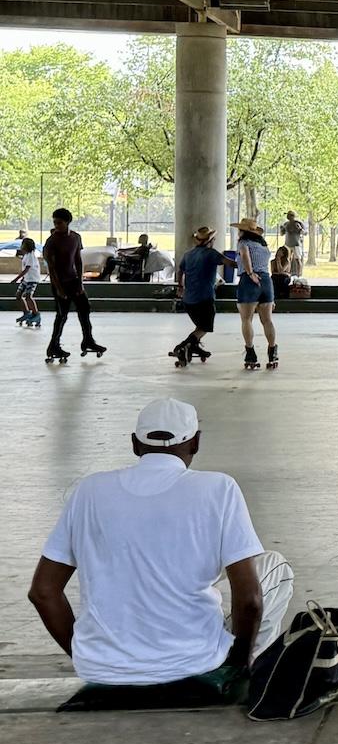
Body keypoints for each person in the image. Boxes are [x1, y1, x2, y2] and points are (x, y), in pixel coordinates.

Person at [28, 398, 294, 689]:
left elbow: (43, 592)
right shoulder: (218, 488)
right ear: (195, 443)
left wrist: (91, 656)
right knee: (274, 567)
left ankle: (109, 661)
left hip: (103, 671)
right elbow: (250, 601)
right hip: (193, 665)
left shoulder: (89, 491)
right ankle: (245, 671)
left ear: (135, 444)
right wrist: (238, 664)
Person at [42, 208, 104, 363]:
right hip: (60, 283)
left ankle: (88, 340)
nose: (56, 225)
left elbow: (78, 260)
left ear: (67, 222)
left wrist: (80, 283)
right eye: (55, 222)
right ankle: (53, 345)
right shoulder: (52, 241)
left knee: (85, 308)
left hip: (74, 281)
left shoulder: (76, 237)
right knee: (61, 315)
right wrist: (59, 289)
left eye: (60, 223)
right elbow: (52, 269)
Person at [171, 226, 224, 367]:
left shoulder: (188, 254)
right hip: (204, 298)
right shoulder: (211, 253)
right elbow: (230, 263)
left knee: (199, 326)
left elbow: (180, 270)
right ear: (211, 241)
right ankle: (183, 346)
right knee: (205, 327)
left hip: (188, 299)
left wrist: (180, 287)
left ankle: (193, 346)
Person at [233, 217, 277, 371]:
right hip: (266, 281)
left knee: (247, 319)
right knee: (267, 320)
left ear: (242, 231)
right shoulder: (263, 246)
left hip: (249, 280)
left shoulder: (243, 243)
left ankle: (250, 352)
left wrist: (250, 273)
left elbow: (245, 255)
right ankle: (272, 352)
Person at [11, 235, 41, 328]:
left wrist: (16, 279)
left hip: (32, 279)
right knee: (18, 296)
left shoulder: (31, 255)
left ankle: (36, 314)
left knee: (28, 296)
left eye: (23, 244)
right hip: (26, 279)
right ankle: (26, 312)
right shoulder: (26, 255)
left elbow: (26, 269)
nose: (21, 246)